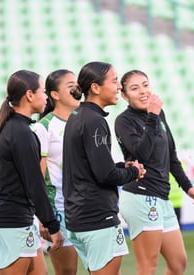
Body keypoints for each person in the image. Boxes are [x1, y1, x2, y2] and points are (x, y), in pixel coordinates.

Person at [114, 70, 194, 275]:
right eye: (134, 88)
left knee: (178, 263)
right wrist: (153, 116)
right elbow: (141, 154)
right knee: (148, 266)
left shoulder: (158, 114)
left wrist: (188, 187)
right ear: (124, 96)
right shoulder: (124, 121)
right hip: (140, 197)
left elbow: (171, 156)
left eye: (145, 85)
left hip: (162, 198)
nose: (143, 91)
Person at [62, 61, 145, 275]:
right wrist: (134, 172)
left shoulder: (75, 115)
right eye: (115, 81)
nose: (119, 86)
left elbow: (87, 165)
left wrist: (121, 166)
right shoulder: (95, 120)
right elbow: (105, 174)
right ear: (95, 88)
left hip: (78, 217)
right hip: (97, 219)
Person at [0, 70, 64, 275]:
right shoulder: (21, 133)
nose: (46, 96)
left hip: (15, 216)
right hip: (12, 218)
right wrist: (52, 225)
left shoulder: (7, 127)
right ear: (29, 95)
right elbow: (35, 184)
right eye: (43, 91)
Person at [31, 69, 81, 275]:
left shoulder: (86, 120)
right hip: (59, 210)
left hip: (88, 209)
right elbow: (37, 176)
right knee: (67, 271)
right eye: (71, 86)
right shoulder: (43, 127)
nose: (77, 90)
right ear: (54, 95)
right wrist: (44, 218)